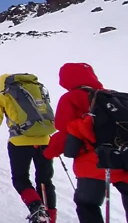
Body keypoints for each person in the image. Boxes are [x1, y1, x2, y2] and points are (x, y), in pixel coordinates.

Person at [44, 63, 128, 223]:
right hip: (123, 158)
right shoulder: (112, 96)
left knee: (87, 204)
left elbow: (65, 131)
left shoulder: (71, 98)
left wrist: (48, 152)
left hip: (94, 164)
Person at [0, 74, 56, 223]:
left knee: (20, 179)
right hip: (45, 140)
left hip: (19, 143)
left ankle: (37, 208)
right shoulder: (35, 90)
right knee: (45, 180)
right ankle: (49, 218)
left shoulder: (3, 96)